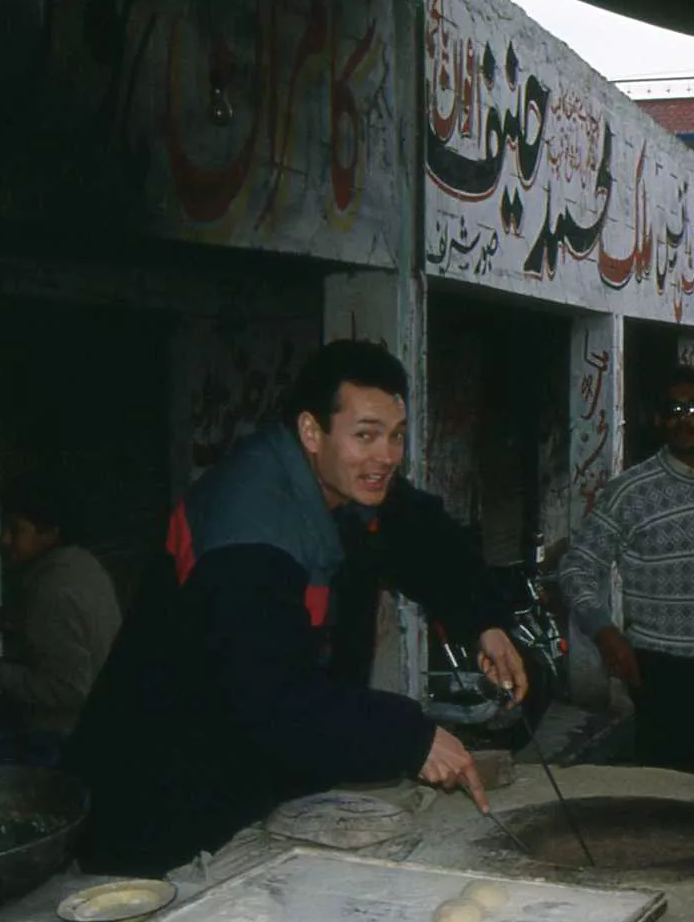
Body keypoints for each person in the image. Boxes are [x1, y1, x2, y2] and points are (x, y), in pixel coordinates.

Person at [63, 341, 529, 875]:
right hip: (161, 792)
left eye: (396, 436)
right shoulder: (247, 531)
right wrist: (410, 738)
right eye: (365, 435)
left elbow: (425, 538)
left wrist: (485, 622)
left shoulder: (345, 479)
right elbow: (269, 695)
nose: (386, 456)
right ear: (312, 431)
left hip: (256, 775)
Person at [558, 365, 694, 776]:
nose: (685, 419)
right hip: (661, 668)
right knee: (667, 791)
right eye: (673, 409)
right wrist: (606, 634)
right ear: (659, 419)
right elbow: (577, 567)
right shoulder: (629, 491)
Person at [0, 476, 123, 765]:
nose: (4, 540)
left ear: (50, 533)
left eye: (16, 529)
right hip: (96, 724)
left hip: (63, 739)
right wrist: (20, 620)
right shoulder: (83, 564)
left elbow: (68, 689)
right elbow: (76, 631)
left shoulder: (53, 588)